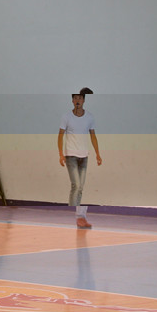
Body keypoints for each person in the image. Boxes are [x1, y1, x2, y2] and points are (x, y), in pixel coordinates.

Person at [58, 87, 102, 228]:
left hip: (84, 156)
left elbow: (93, 136)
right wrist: (61, 154)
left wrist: (97, 153)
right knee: (76, 185)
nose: (78, 100)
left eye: (80, 98)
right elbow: (60, 136)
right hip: (70, 155)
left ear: (84, 100)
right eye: (75, 98)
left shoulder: (90, 117)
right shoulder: (66, 117)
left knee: (80, 187)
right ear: (72, 100)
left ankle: (80, 217)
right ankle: (74, 216)